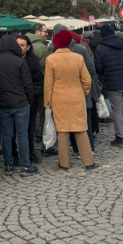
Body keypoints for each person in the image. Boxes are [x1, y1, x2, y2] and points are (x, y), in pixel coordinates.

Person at [45, 30, 97, 170]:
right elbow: (87, 80)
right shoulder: (77, 57)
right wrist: (83, 91)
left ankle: (64, 163)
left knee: (62, 131)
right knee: (80, 129)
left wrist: (47, 103)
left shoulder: (50, 59)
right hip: (77, 97)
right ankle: (88, 162)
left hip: (59, 98)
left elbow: (48, 84)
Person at [0, 35, 37, 177]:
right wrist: (30, 100)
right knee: (22, 134)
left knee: (7, 135)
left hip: (4, 103)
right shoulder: (20, 62)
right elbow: (28, 84)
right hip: (21, 102)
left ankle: (8, 165)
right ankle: (25, 165)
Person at [16, 34, 42, 165]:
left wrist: (26, 76)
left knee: (30, 127)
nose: (20, 47)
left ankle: (30, 152)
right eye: (18, 45)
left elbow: (39, 75)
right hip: (15, 98)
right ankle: (15, 154)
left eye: (22, 45)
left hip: (29, 97)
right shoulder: (12, 58)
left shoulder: (32, 59)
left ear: (28, 47)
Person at [25, 23, 49, 151]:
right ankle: (41, 135)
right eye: (45, 31)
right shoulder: (42, 47)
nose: (47, 34)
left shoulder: (23, 44)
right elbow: (45, 69)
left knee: (30, 114)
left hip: (26, 87)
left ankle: (30, 136)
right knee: (43, 112)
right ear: (38, 32)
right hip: (41, 85)